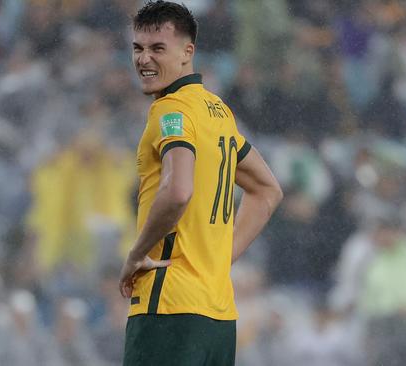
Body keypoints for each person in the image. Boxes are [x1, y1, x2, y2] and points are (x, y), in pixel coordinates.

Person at [117, 2, 283, 365]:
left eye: (158, 48)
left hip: (169, 308)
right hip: (218, 317)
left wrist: (136, 254)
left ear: (187, 52)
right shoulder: (217, 111)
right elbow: (267, 190)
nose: (144, 59)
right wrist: (220, 260)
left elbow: (178, 190)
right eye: (138, 48)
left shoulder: (170, 110)